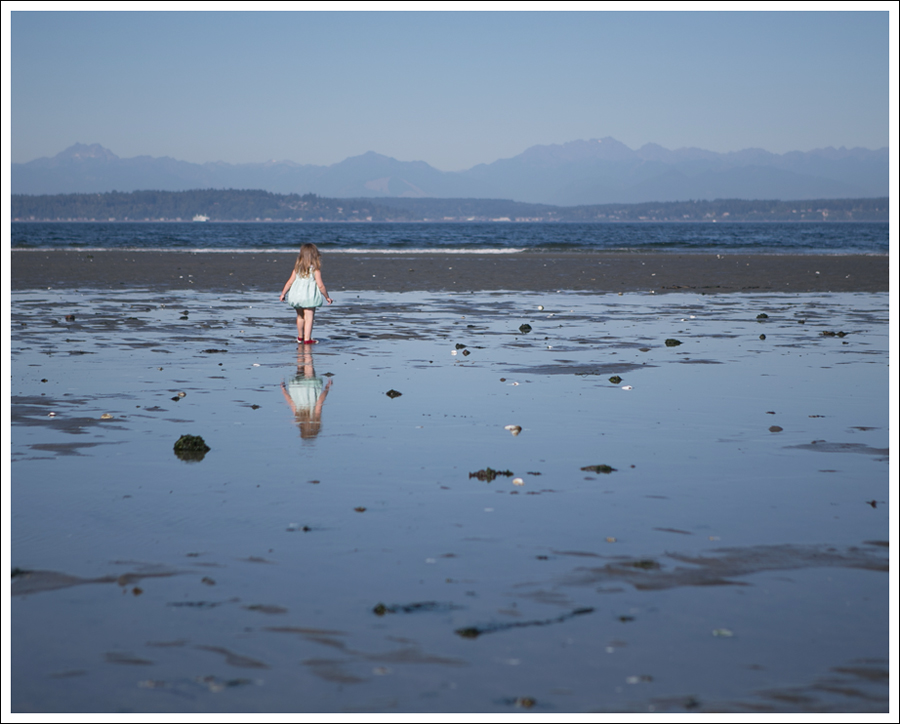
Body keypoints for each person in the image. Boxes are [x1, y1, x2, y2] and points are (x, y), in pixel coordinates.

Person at [279, 243, 333, 344]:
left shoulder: (297, 270)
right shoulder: (315, 270)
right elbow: (321, 286)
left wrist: (283, 294)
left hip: (297, 296)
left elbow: (289, 282)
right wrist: (327, 297)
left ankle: (300, 337)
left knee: (300, 316)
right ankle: (307, 339)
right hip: (309, 297)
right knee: (309, 318)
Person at [281, 347, 332, 439]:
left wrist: (327, 388)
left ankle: (307, 346)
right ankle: (300, 346)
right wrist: (284, 390)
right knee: (300, 367)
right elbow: (291, 403)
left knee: (308, 364)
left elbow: (320, 402)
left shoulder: (315, 416)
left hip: (310, 387)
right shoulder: (298, 416)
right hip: (297, 387)